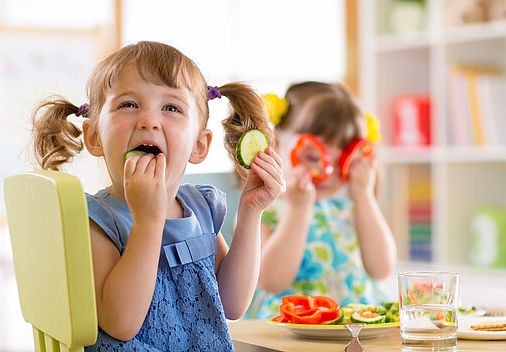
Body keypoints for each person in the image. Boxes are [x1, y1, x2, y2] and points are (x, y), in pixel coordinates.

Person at [31, 41, 285, 351]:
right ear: (94, 136)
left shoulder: (200, 208)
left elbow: (232, 304)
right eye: (128, 105)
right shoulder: (95, 219)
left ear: (199, 146)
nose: (148, 120)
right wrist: (148, 222)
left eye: (171, 108)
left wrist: (250, 213)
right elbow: (121, 324)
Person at [245, 81, 396, 319]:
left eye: (342, 162)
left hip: (354, 326)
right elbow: (271, 280)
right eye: (313, 156)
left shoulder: (351, 207)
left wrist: (365, 198)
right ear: (275, 142)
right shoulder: (261, 208)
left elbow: (382, 269)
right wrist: (298, 208)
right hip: (293, 328)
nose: (327, 172)